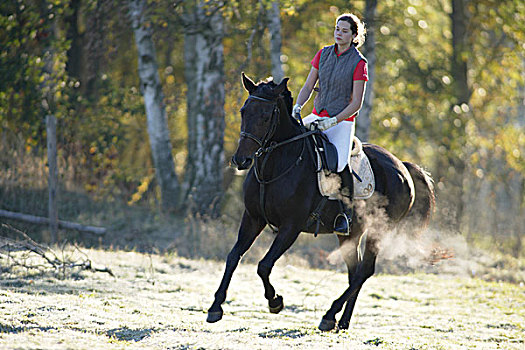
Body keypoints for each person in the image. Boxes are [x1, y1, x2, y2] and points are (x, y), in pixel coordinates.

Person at [292, 13, 368, 235]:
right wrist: (297, 106)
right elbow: (308, 87)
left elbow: (356, 103)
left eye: (344, 31)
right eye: (337, 29)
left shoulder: (359, 63)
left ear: (354, 35)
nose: (339, 33)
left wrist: (334, 120)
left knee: (339, 163)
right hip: (317, 115)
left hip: (341, 122)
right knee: (291, 143)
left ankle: (345, 214)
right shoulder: (323, 54)